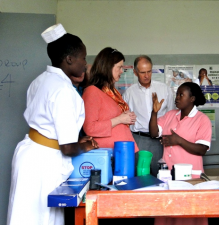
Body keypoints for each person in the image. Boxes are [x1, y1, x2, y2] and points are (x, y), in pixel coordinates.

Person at [7, 24, 98, 225]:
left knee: (24, 217)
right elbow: (67, 148)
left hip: (30, 154)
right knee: (41, 219)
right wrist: (85, 145)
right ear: (69, 59)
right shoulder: (63, 90)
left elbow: (48, 127)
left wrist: (75, 140)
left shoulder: (39, 81)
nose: (85, 63)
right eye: (83, 57)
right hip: (43, 164)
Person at [149, 82, 211, 225]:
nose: (177, 98)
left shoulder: (202, 119)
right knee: (167, 215)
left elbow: (202, 149)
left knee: (188, 217)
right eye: (177, 94)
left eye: (181, 95)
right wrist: (154, 112)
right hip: (168, 176)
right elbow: (153, 133)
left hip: (191, 178)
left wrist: (178, 140)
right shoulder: (171, 115)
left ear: (192, 99)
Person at [122, 55, 174, 176]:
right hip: (139, 139)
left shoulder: (164, 89)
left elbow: (171, 115)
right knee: (138, 175)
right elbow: (125, 120)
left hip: (159, 141)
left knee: (161, 175)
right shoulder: (129, 93)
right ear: (135, 72)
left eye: (149, 71)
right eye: (142, 72)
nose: (146, 76)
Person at [82, 47, 139, 152]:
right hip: (109, 155)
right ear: (108, 67)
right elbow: (90, 128)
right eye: (119, 67)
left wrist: (126, 117)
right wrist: (120, 119)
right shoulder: (92, 92)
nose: (122, 71)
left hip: (123, 152)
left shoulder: (112, 92)